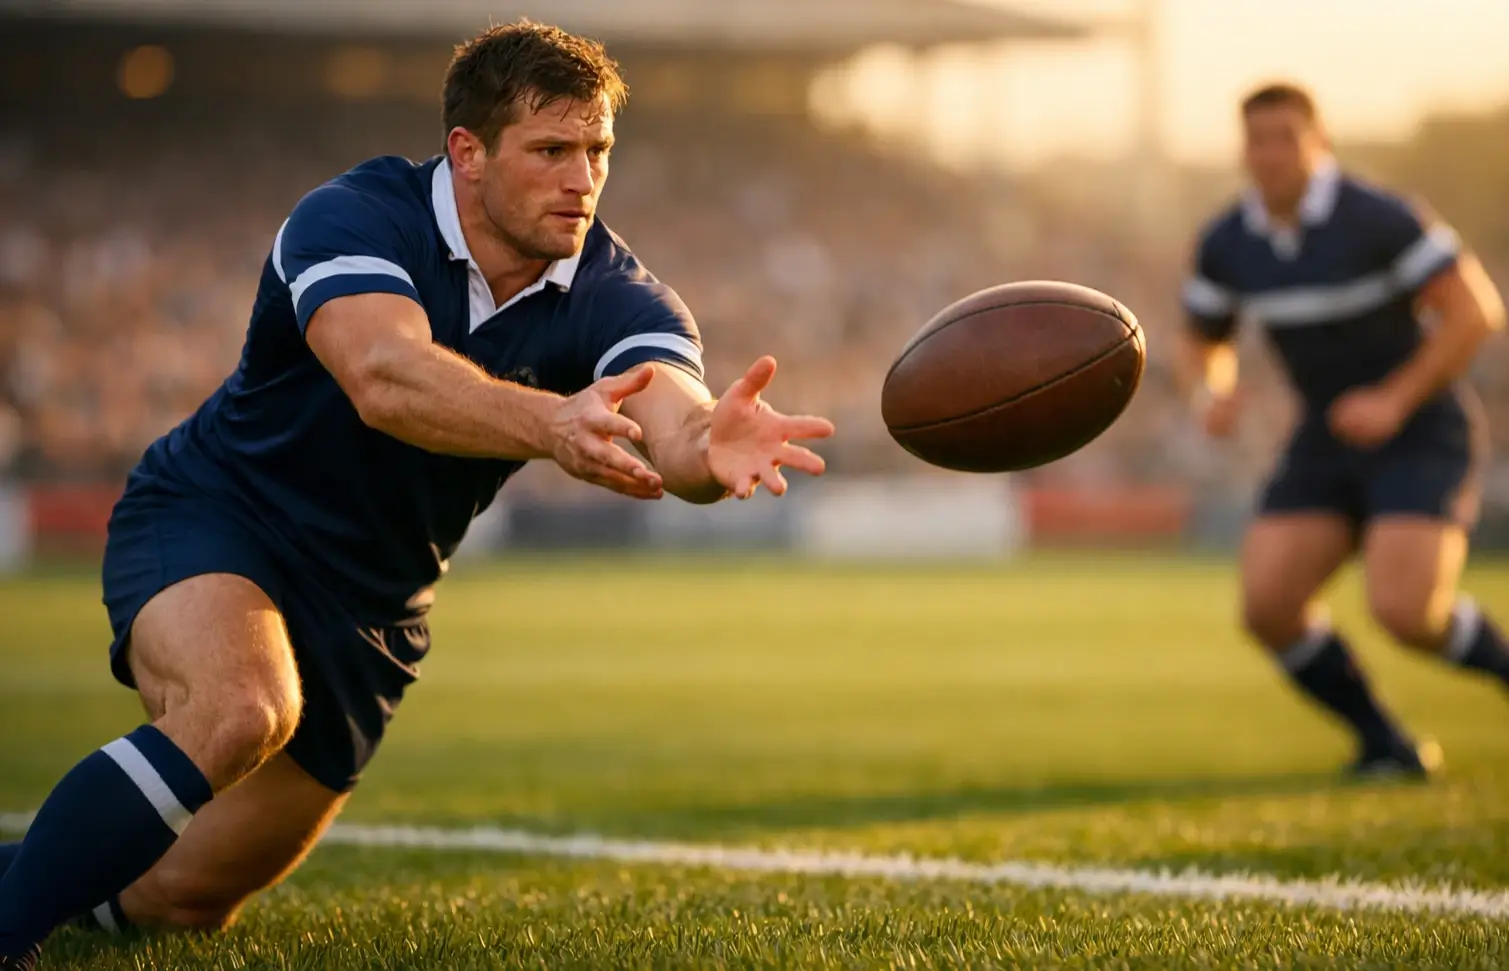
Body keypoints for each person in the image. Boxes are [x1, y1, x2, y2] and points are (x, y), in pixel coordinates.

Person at [0, 22, 834, 968]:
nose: (582, 178)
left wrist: (705, 449)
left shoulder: (617, 291)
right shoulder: (353, 215)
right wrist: (552, 423)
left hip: (376, 602)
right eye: (551, 150)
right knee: (242, 706)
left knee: (179, 897)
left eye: (597, 150)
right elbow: (383, 377)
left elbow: (673, 422)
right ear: (467, 154)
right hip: (224, 514)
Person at [1181, 82, 1507, 780]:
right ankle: (1383, 743)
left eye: (1284, 136)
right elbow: (1202, 338)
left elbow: (1474, 311)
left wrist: (1393, 398)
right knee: (1267, 606)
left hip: (1420, 429)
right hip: (1324, 437)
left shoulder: (1378, 218)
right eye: (1255, 139)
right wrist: (1211, 392)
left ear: (1317, 142)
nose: (1268, 153)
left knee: (1404, 611)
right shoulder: (1227, 241)